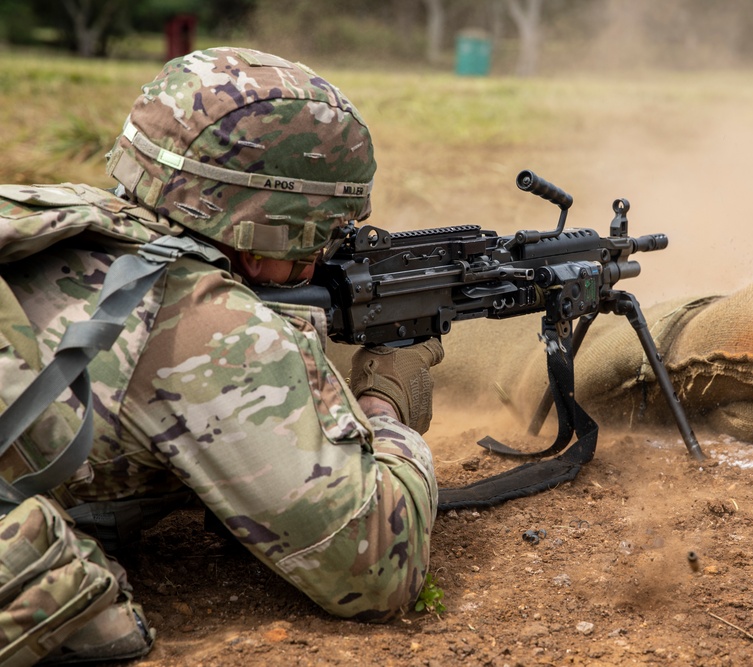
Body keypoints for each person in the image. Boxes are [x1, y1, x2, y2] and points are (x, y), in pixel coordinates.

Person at [1, 46, 442, 622]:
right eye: (326, 234)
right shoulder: (202, 323)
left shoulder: (57, 220)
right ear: (276, 229)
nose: (324, 256)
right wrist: (383, 409)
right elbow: (372, 567)